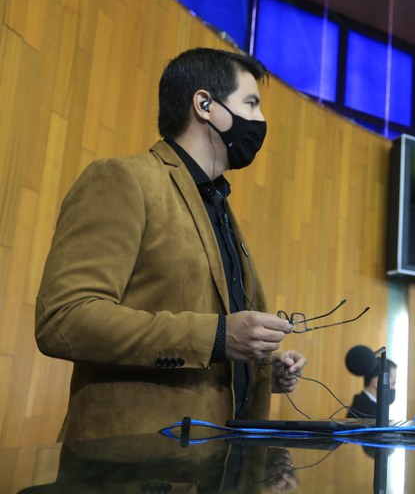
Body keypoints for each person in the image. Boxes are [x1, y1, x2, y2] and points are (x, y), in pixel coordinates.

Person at [35, 48, 307, 441]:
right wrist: (218, 336)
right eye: (251, 103)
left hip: (220, 460)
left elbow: (214, 338)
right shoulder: (124, 179)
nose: (260, 120)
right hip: (129, 460)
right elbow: (63, 319)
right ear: (205, 105)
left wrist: (260, 369)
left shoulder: (218, 206)